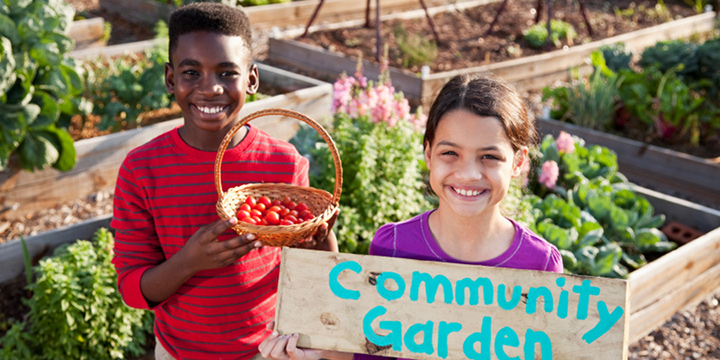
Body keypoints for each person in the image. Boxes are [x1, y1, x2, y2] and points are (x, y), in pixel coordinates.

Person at [257, 74, 563, 360]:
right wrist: (317, 352)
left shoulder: (541, 264)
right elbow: (369, 349)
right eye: (450, 153)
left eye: (490, 156)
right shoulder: (393, 245)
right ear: (428, 154)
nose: (468, 173)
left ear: (518, 162)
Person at [110, 3, 338, 360]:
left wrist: (319, 244)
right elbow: (133, 290)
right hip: (178, 351)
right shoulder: (142, 170)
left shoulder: (283, 163)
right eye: (191, 72)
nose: (210, 88)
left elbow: (320, 269)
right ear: (171, 79)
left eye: (227, 73)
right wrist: (188, 262)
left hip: (267, 349)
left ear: (252, 78)